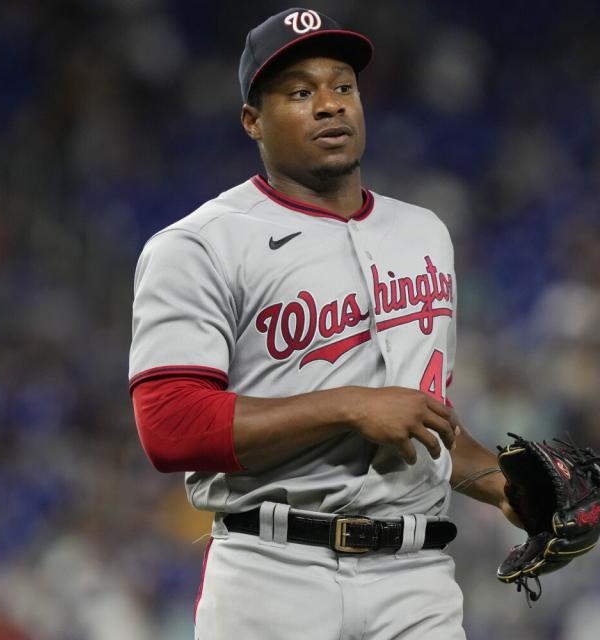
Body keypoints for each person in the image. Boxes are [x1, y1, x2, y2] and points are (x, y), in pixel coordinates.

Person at [129, 8, 519, 639]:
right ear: (252, 121)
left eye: (343, 86)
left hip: (416, 577)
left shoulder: (424, 232)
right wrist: (345, 406)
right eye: (301, 92)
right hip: (273, 572)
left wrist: (504, 484)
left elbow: (412, 416)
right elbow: (169, 427)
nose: (330, 105)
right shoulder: (199, 245)